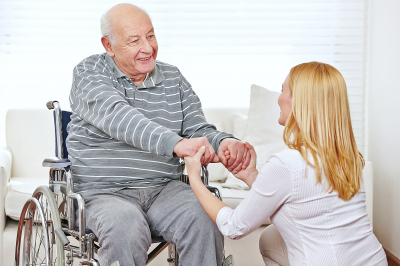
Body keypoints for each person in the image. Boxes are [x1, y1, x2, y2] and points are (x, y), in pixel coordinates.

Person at [66, 3, 251, 266]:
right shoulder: (89, 72)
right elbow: (119, 117)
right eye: (134, 40)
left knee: (204, 213)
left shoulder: (173, 78)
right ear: (108, 46)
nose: (147, 47)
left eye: (150, 36)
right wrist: (176, 144)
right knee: (125, 225)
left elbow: (197, 129)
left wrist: (224, 142)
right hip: (104, 193)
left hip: (164, 190)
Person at [184, 62, 388, 266]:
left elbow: (233, 227)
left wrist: (194, 178)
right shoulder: (348, 157)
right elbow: (299, 201)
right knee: (271, 237)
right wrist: (252, 175)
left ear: (298, 102)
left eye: (282, 90)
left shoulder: (286, 164)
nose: (278, 98)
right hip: (374, 260)